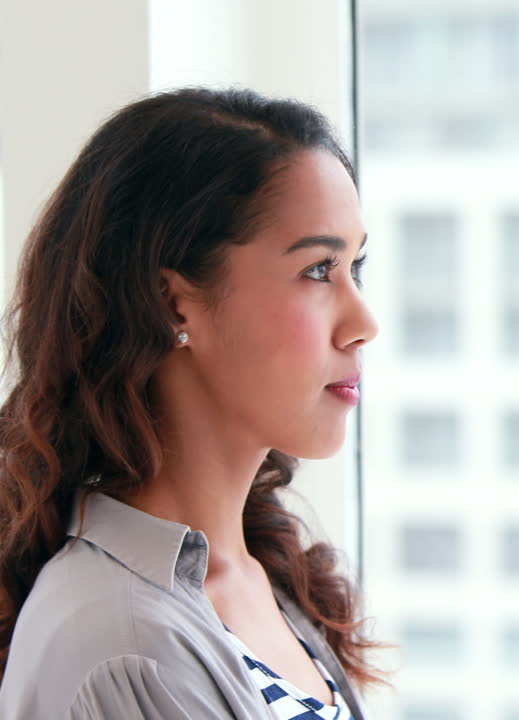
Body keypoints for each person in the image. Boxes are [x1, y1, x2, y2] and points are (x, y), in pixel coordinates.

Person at [0, 87, 383, 718]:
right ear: (173, 303)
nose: (363, 320)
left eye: (355, 268)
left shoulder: (261, 578)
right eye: (318, 269)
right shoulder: (126, 648)